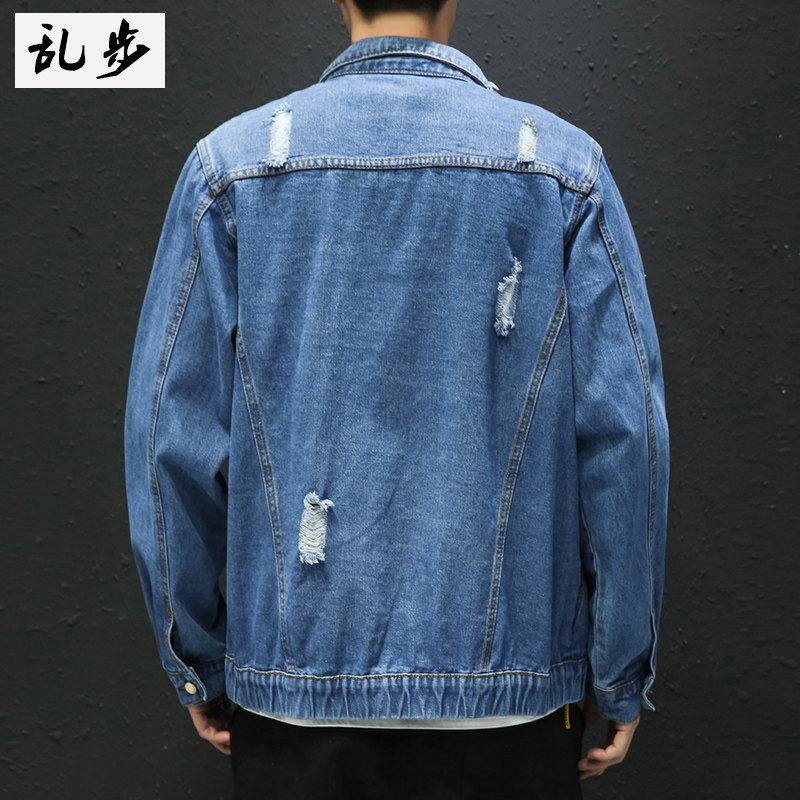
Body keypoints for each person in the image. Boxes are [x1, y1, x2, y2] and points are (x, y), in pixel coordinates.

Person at [123, 0, 669, 796]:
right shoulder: (564, 171)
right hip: (511, 707)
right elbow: (626, 439)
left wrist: (196, 662)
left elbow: (166, 441)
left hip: (294, 703)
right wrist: (619, 671)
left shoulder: (230, 170)